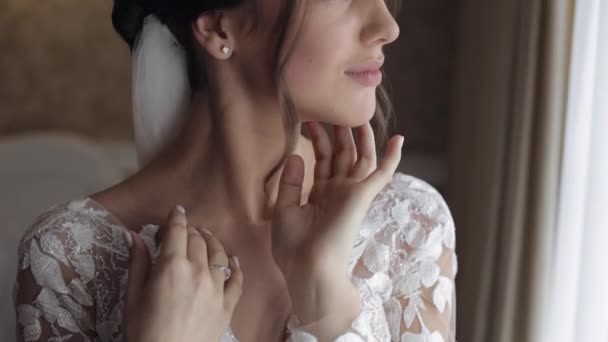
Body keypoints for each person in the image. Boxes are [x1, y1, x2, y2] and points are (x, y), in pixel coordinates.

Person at [12, 0, 458, 341]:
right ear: (218, 25)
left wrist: (326, 297)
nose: (387, 26)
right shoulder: (69, 256)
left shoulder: (408, 225)